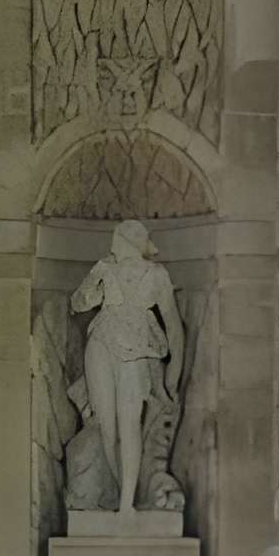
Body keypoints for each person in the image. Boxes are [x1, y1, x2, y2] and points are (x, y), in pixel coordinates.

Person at [71, 219, 185, 518]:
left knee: (129, 425)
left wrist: (174, 371)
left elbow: (173, 326)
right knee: (107, 426)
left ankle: (126, 504)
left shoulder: (156, 274)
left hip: (138, 349)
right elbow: (79, 304)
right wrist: (95, 274)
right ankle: (123, 490)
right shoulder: (105, 269)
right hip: (100, 343)